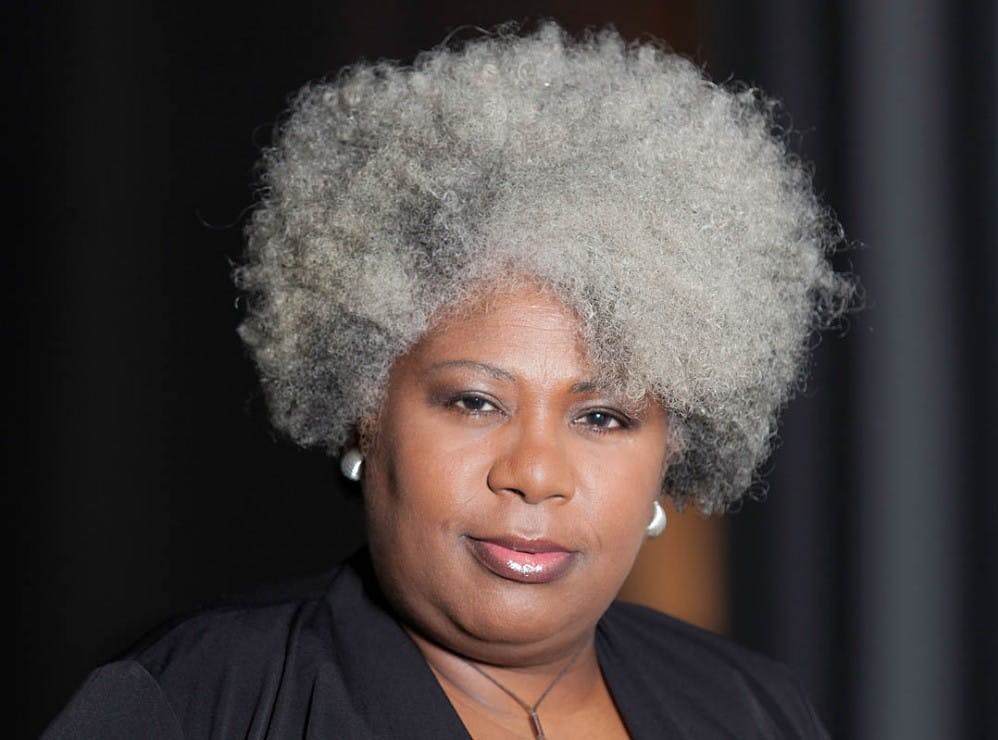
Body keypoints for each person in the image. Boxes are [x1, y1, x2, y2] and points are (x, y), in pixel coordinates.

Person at [44, 21, 852, 739]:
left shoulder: (750, 707)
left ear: (671, 448)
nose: (534, 474)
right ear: (365, 409)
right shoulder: (196, 703)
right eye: (475, 401)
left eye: (603, 417)